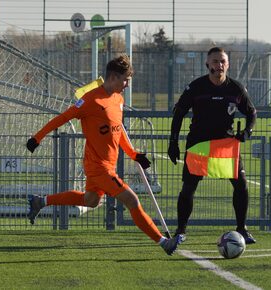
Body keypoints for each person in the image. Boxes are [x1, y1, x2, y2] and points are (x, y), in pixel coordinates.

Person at [26, 55, 183, 255]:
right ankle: (163, 242)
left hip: (106, 164)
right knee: (132, 200)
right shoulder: (91, 99)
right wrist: (37, 138)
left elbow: (118, 133)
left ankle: (41, 201)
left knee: (91, 200)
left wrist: (134, 154)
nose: (127, 84)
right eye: (125, 79)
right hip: (98, 166)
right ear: (113, 77)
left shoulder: (118, 99)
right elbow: (63, 117)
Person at [167, 47, 257, 244]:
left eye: (223, 61)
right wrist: (173, 142)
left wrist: (247, 132)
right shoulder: (196, 87)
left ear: (228, 64)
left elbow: (252, 113)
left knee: (240, 185)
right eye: (215, 61)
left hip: (226, 146)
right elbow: (179, 113)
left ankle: (242, 229)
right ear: (207, 65)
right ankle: (180, 231)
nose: (219, 65)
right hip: (199, 144)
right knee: (188, 188)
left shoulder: (236, 88)